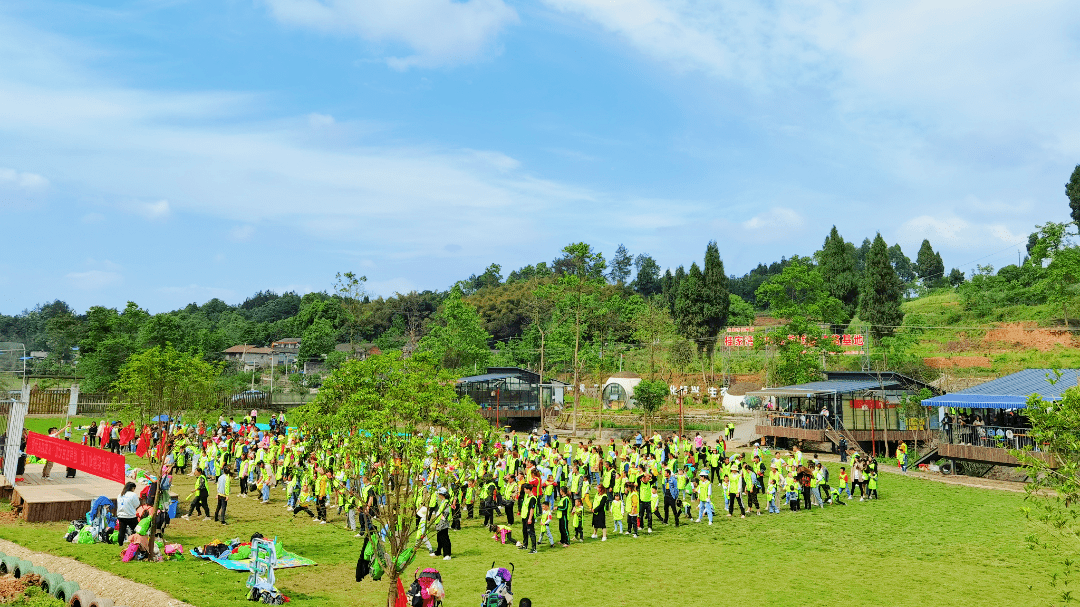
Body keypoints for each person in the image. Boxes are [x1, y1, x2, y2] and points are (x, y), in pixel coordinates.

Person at [433, 489, 452, 560]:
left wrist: (443, 517)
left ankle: (447, 554)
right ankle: (438, 551)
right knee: (439, 538)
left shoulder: (446, 502)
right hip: (439, 522)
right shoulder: (443, 502)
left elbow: (446, 512)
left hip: (443, 523)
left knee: (444, 538)